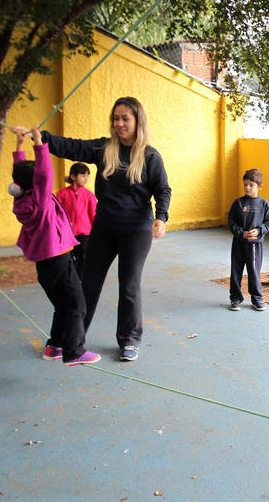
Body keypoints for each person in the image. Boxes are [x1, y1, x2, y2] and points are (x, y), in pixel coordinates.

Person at [40, 97, 171, 363]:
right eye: (116, 118)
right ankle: (71, 341)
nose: (119, 123)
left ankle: (129, 340)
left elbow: (162, 189)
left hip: (136, 229)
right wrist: (42, 138)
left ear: (137, 121)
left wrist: (161, 217)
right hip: (104, 227)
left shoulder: (149, 156)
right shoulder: (104, 148)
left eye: (125, 118)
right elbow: (73, 147)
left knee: (129, 285)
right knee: (87, 284)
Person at [9, 126, 100, 367]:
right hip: (58, 260)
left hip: (45, 265)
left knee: (62, 305)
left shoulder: (21, 198)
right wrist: (39, 143)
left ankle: (54, 347)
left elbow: (20, 172)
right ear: (37, 183)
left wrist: (20, 145)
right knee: (77, 305)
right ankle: (74, 352)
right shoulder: (39, 201)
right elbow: (44, 173)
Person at [227, 169, 269, 312]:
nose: (247, 188)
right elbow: (231, 222)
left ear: (260, 187)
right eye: (245, 185)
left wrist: (259, 230)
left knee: (254, 271)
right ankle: (235, 298)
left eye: (251, 185)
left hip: (254, 245)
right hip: (238, 243)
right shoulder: (238, 203)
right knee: (236, 271)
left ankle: (257, 299)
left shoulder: (264, 204)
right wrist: (241, 233)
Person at [57, 162, 98, 278]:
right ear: (73, 176)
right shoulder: (61, 194)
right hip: (68, 233)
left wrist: (96, 232)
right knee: (69, 258)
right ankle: (72, 278)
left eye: (87, 176)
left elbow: (94, 214)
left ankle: (82, 280)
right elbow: (58, 213)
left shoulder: (89, 195)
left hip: (85, 234)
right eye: (83, 175)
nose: (86, 178)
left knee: (84, 258)